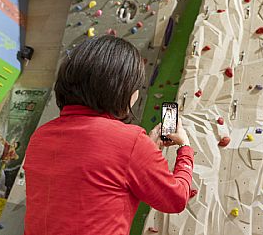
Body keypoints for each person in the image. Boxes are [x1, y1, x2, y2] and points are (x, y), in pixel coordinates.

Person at [24, 36, 194, 235]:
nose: (137, 94)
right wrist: (185, 148)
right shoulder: (130, 142)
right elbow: (176, 199)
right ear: (120, 88)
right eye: (136, 87)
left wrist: (145, 150)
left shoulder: (40, 136)